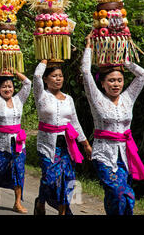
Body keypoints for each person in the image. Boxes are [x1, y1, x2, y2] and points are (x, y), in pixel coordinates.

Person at [82, 34, 144, 215]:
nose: (116, 84)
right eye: (111, 80)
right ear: (102, 84)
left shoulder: (128, 98)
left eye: (119, 80)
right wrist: (88, 48)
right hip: (103, 154)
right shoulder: (97, 100)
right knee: (118, 192)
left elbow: (142, 75)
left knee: (120, 199)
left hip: (124, 155)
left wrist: (123, 61)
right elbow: (86, 73)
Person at [33, 60, 92, 215]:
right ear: (46, 79)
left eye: (60, 76)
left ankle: (63, 211)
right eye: (53, 76)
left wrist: (85, 144)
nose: (58, 79)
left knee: (67, 179)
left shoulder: (69, 99)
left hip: (67, 145)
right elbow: (36, 76)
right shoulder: (41, 95)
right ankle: (40, 201)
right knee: (49, 178)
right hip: (47, 144)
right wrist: (44, 61)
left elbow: (75, 122)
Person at [0, 67, 31, 214]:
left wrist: (15, 71)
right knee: (0, 170)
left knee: (19, 170)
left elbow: (28, 84)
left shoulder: (19, 100)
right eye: (4, 86)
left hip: (17, 143)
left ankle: (17, 202)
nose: (7, 89)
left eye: (10, 86)